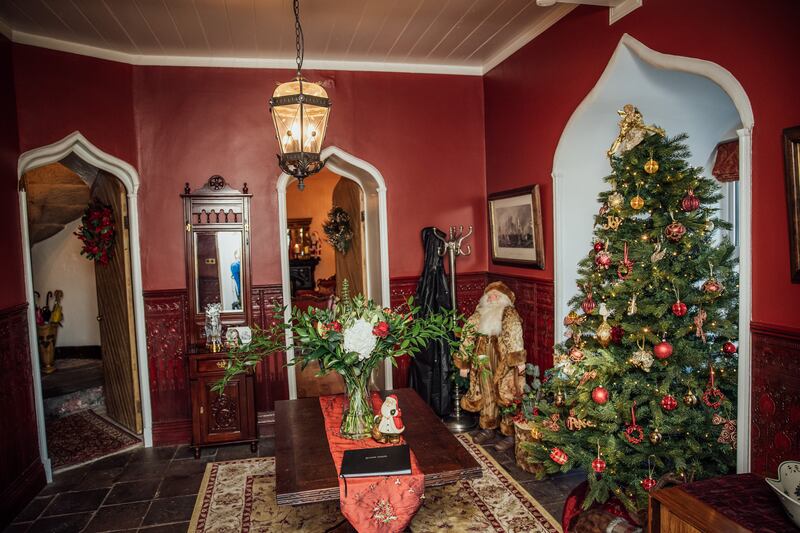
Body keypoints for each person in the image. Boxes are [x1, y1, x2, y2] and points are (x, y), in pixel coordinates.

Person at [454, 281, 526, 452]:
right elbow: (467, 336)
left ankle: (509, 433)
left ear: (504, 298)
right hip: (483, 358)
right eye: (490, 295)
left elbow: (514, 335)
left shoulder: (509, 313)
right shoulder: (480, 313)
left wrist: (519, 361)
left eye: (496, 295)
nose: (492, 298)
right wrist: (464, 363)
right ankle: (488, 426)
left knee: (507, 394)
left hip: (504, 360)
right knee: (485, 391)